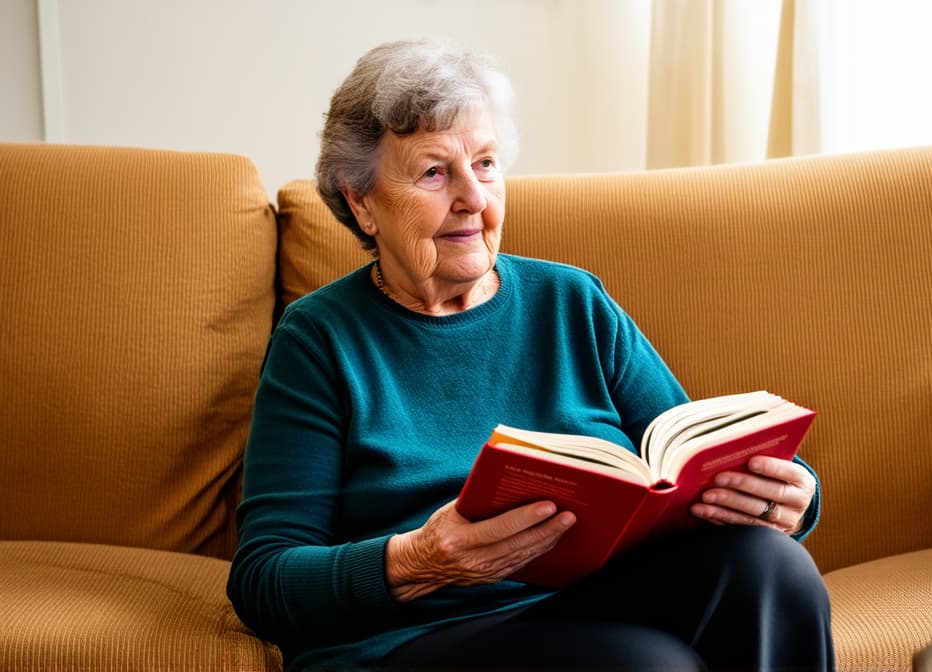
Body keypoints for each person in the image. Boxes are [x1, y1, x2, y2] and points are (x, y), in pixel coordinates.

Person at [228, 38, 835, 672]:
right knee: (645, 664)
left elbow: (686, 465)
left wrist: (784, 498)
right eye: (435, 172)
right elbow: (265, 580)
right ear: (362, 203)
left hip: (593, 601)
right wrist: (420, 558)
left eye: (486, 164)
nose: (474, 198)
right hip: (419, 636)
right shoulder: (319, 338)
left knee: (774, 567)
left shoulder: (571, 300)